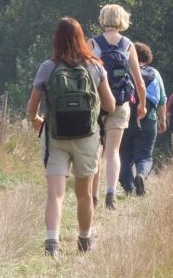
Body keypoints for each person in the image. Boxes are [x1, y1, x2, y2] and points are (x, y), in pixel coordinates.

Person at [26, 17, 115, 256]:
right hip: (87, 136)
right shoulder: (95, 66)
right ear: (81, 37)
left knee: (56, 193)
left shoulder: (48, 67)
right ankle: (85, 240)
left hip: (55, 136)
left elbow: (31, 108)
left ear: (56, 39)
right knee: (84, 193)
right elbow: (111, 104)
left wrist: (37, 120)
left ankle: (52, 243)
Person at [89, 4, 146, 210]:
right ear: (123, 19)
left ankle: (93, 195)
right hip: (121, 102)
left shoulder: (93, 43)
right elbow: (139, 81)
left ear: (103, 18)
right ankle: (111, 194)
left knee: (95, 150)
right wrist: (143, 105)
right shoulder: (128, 44)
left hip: (96, 104)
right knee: (112, 151)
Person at [119, 42, 166, 196]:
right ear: (147, 57)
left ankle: (128, 187)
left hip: (124, 118)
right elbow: (162, 100)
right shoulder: (154, 73)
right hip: (148, 118)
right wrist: (162, 120)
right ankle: (141, 175)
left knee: (124, 154)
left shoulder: (124, 71)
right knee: (144, 155)